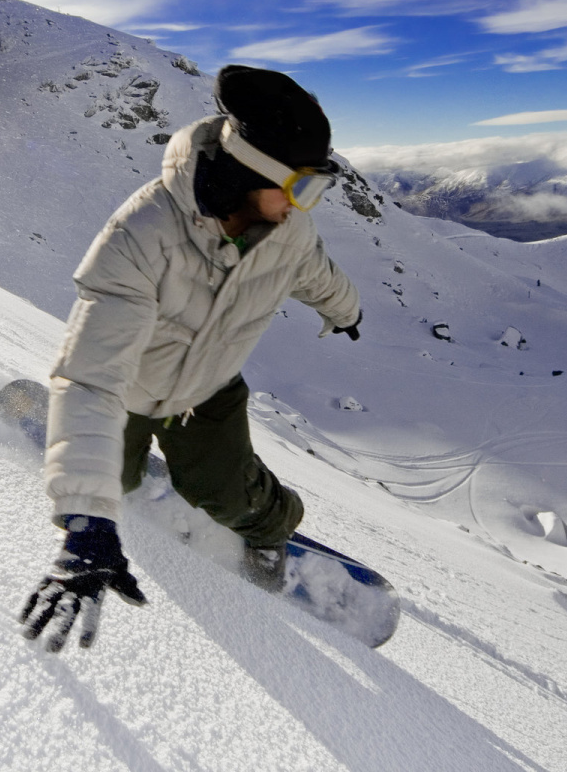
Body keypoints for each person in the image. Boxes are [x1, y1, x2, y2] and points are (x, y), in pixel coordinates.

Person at [19, 65, 363, 652]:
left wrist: (345, 310)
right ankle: (95, 457)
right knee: (114, 484)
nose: (303, 207)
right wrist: (87, 522)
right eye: (301, 188)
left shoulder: (286, 229)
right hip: (127, 389)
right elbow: (92, 378)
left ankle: (271, 530)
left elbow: (314, 273)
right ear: (249, 172)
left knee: (232, 498)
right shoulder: (141, 235)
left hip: (208, 388)